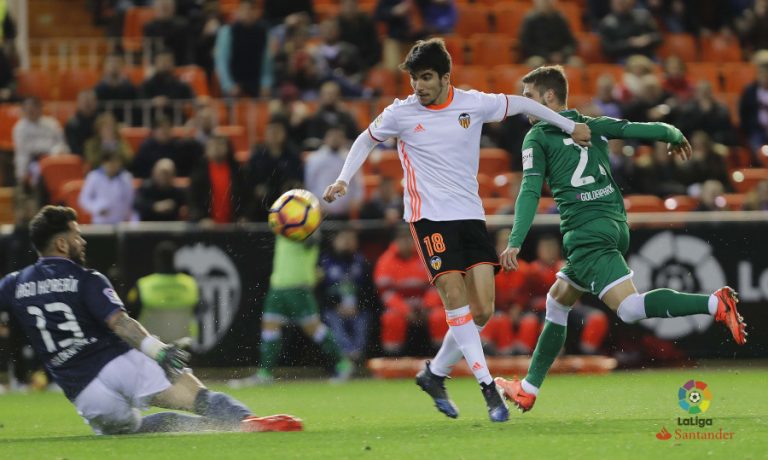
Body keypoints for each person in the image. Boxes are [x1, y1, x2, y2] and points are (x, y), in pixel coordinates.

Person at [322, 38, 592, 422]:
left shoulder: (473, 103)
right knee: (454, 295)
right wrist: (343, 179)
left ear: (445, 77)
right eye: (415, 78)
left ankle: (434, 374)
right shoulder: (401, 112)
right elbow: (366, 139)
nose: (418, 86)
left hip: (469, 216)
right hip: (428, 218)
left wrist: (569, 125)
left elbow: (525, 105)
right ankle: (488, 388)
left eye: (426, 78)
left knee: (482, 310)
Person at [492, 65, 748, 413]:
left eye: (529, 97)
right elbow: (634, 128)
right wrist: (672, 133)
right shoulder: (592, 124)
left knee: (628, 308)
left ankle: (715, 304)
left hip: (585, 232)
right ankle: (528, 388)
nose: (525, 105)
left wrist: (516, 239)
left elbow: (529, 190)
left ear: (549, 96)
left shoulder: (537, 137)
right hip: (614, 224)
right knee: (558, 300)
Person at [0, 206, 302, 434]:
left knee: (136, 429)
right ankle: (247, 421)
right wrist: (159, 351)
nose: (82, 241)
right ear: (61, 244)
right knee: (198, 398)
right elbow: (121, 324)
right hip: (117, 364)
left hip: (86, 395)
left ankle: (217, 429)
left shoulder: (14, 284)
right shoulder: (85, 278)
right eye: (76, 235)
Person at [228, 232, 353, 387]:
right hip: (278, 287)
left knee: (313, 329)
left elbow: (312, 239)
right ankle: (265, 374)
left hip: (298, 286)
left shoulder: (306, 224)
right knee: (270, 328)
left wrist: (304, 232)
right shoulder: (282, 225)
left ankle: (343, 364)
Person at [126, 241, 199, 343]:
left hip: (152, 346)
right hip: (184, 343)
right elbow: (199, 310)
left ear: (157, 260)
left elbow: (128, 314)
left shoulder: (143, 285)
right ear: (175, 259)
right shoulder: (190, 284)